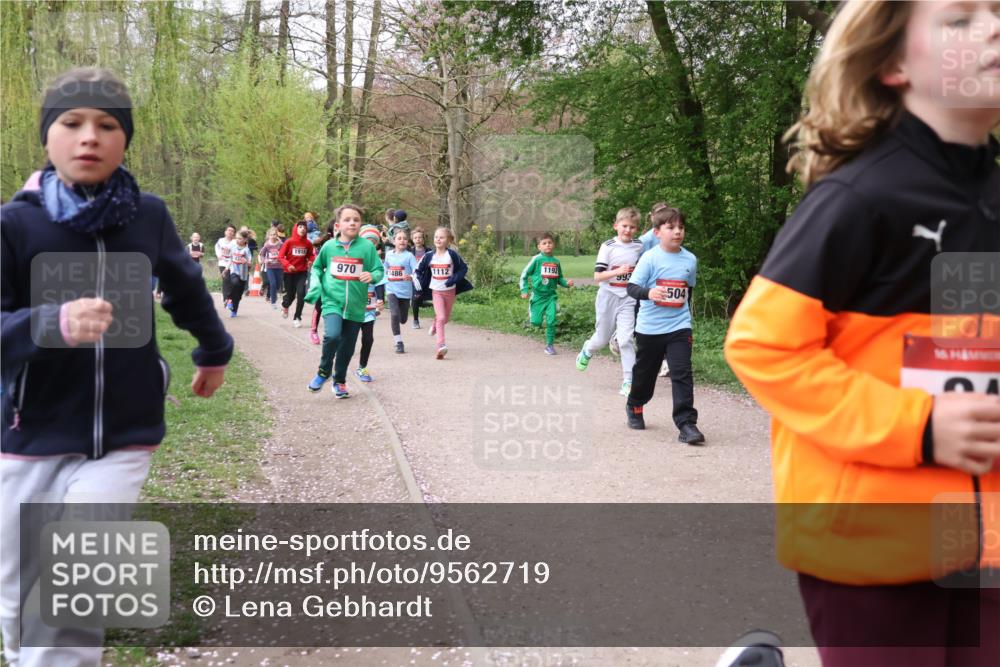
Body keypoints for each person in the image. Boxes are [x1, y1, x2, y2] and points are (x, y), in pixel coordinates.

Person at [724, 2, 1000, 665]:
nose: (994, 26)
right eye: (961, 19)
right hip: (869, 544)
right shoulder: (860, 198)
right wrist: (921, 425)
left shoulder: (989, 196)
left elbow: (971, 347)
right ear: (893, 64)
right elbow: (763, 345)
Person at [0, 66, 232, 667]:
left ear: (124, 140)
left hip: (124, 436)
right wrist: (50, 325)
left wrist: (213, 349)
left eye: (107, 125)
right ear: (47, 137)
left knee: (77, 589)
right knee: (16, 591)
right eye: (71, 123)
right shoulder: (14, 224)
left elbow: (185, 287)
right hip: (29, 436)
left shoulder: (148, 216)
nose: (89, 137)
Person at [624, 206, 703, 445]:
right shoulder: (650, 258)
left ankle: (686, 424)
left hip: (679, 327)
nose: (677, 232)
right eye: (671, 228)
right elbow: (632, 288)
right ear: (658, 232)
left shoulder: (690, 259)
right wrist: (650, 292)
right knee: (645, 375)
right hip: (650, 329)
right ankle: (635, 404)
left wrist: (679, 309)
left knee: (682, 373)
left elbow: (687, 290)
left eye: (681, 227)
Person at [304, 205, 384, 398]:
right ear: (338, 225)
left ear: (360, 224)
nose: (352, 223)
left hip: (357, 304)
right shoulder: (329, 247)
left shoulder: (366, 247)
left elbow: (379, 270)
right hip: (332, 300)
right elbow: (317, 268)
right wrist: (316, 286)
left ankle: (339, 381)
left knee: (348, 346)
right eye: (347, 220)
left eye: (356, 220)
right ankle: (323, 372)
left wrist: (371, 275)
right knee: (332, 335)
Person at [576, 207, 643, 395]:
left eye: (632, 227)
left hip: (628, 297)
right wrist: (618, 272)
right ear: (616, 226)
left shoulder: (639, 246)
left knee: (626, 340)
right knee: (602, 339)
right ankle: (587, 349)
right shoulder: (608, 246)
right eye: (624, 226)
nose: (628, 230)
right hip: (607, 296)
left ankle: (628, 381)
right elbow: (597, 276)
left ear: (636, 229)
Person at [415, 227, 473, 359]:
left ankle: (435, 325)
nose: (438, 239)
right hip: (436, 292)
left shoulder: (452, 255)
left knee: (444, 319)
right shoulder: (429, 256)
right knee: (441, 317)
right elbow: (418, 269)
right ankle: (441, 346)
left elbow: (464, 268)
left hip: (450, 291)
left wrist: (454, 279)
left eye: (441, 237)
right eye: (436, 237)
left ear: (448, 241)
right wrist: (417, 280)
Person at [519, 232, 575, 355]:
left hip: (551, 296)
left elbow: (559, 278)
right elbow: (524, 274)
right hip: (538, 296)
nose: (547, 245)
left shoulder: (556, 261)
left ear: (553, 245)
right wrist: (524, 290)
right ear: (539, 247)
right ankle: (532, 308)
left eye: (550, 243)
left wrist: (566, 283)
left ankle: (549, 345)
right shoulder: (537, 259)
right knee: (536, 322)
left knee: (551, 320)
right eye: (544, 243)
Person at [354, 225, 386, 381]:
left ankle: (362, 367)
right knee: (349, 339)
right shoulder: (354, 257)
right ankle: (340, 366)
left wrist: (380, 299)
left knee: (368, 338)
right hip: (352, 308)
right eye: (368, 241)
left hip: (369, 307)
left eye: (374, 242)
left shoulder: (377, 261)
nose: (371, 245)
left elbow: (380, 282)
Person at [384, 229, 418, 353]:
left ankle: (399, 319)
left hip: (405, 292)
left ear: (407, 241)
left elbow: (416, 270)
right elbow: (385, 269)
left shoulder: (409, 256)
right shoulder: (389, 255)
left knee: (402, 319)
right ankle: (398, 342)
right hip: (391, 289)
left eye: (404, 238)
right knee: (394, 314)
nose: (402, 240)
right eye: (399, 238)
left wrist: (412, 276)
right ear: (394, 241)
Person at [278, 220, 314, 327]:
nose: (302, 229)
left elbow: (311, 255)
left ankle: (297, 317)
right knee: (291, 296)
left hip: (301, 273)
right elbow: (280, 257)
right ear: (296, 229)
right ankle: (285, 305)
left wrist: (311, 260)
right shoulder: (289, 242)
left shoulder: (308, 243)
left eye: (304, 227)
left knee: (301, 294)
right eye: (300, 227)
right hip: (289, 273)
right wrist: (288, 265)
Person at [225, 231, 252, 317]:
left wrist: (246, 262)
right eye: (236, 238)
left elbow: (250, 264)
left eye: (240, 238)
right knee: (234, 283)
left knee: (238, 295)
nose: (237, 240)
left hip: (243, 274)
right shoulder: (233, 248)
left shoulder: (247, 250)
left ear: (245, 240)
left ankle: (234, 310)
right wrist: (226, 269)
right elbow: (230, 259)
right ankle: (229, 299)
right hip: (234, 271)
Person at [410, 227, 429, 329]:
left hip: (427, 278)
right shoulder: (409, 252)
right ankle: (415, 320)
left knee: (421, 298)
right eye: (415, 237)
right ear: (412, 239)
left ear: (423, 239)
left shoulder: (429, 251)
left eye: (420, 237)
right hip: (414, 278)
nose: (418, 239)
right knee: (416, 298)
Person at [259, 228, 283, 308]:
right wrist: (264, 260)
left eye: (275, 234)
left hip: (279, 267)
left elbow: (284, 252)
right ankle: (273, 302)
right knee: (272, 283)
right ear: (269, 236)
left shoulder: (280, 244)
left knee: (278, 284)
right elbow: (261, 254)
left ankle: (274, 295)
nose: (273, 236)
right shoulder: (267, 245)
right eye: (272, 235)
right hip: (270, 267)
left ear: (277, 235)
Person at [215, 223, 235, 306]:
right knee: (226, 280)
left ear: (234, 233)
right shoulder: (221, 240)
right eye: (228, 230)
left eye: (232, 231)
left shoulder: (235, 242)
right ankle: (226, 299)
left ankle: (230, 298)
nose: (230, 232)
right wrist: (218, 255)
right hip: (222, 263)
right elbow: (216, 247)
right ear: (225, 232)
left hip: (232, 264)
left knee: (232, 282)